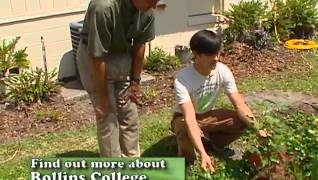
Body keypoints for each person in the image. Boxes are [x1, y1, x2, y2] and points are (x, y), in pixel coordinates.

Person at [172, 30, 269, 172]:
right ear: (196, 55)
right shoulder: (183, 79)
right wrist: (203, 155)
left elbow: (239, 104)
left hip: (207, 115)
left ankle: (213, 144)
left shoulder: (223, 71)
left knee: (242, 120)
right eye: (211, 54)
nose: (216, 58)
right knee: (184, 130)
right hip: (184, 118)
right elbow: (190, 118)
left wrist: (257, 128)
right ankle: (189, 162)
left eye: (218, 53)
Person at [76, 0, 160, 157]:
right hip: (94, 57)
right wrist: (102, 99)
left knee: (129, 112)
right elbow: (97, 56)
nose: (154, 6)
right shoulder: (103, 7)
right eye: (151, 1)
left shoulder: (147, 9)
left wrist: (135, 82)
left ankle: (131, 160)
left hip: (122, 54)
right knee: (108, 117)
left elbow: (140, 45)